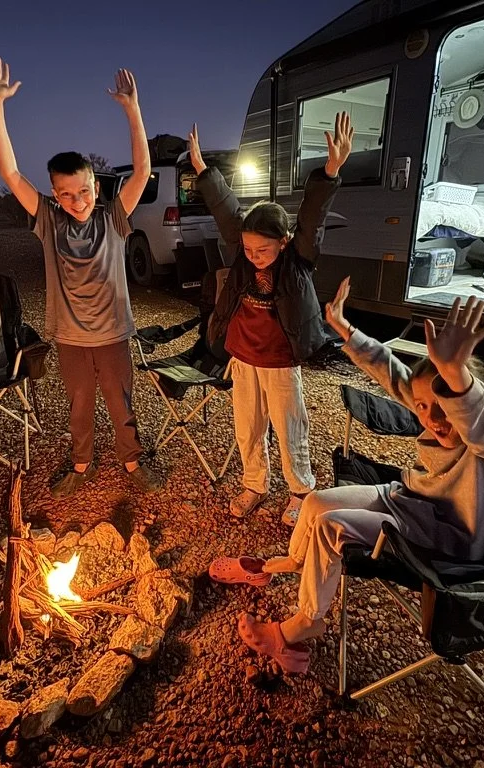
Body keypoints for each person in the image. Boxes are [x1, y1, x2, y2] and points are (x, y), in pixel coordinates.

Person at [210, 284, 484, 672]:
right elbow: (393, 374)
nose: (432, 418)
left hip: (447, 536)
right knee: (317, 501)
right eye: (422, 407)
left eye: (445, 406)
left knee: (330, 526)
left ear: (471, 398)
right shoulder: (436, 414)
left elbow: (481, 423)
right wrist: (345, 330)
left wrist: (456, 373)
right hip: (410, 500)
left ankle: (306, 623)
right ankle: (290, 562)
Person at [0, 57, 160, 497]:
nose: (76, 200)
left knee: (121, 404)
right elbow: (9, 173)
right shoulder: (47, 220)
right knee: (79, 405)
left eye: (83, 191)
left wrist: (132, 109)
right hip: (71, 338)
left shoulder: (115, 218)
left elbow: (141, 172)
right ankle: (81, 463)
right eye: (65, 194)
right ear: (54, 194)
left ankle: (132, 461)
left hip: (114, 333)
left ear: (96, 189)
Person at [188, 114, 353, 523]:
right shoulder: (243, 254)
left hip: (280, 362)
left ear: (282, 242)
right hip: (243, 358)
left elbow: (311, 218)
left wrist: (330, 171)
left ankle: (300, 491)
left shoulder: (297, 262)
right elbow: (227, 213)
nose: (253, 256)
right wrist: (204, 172)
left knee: (289, 428)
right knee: (247, 428)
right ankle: (254, 485)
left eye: (262, 250)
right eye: (247, 249)